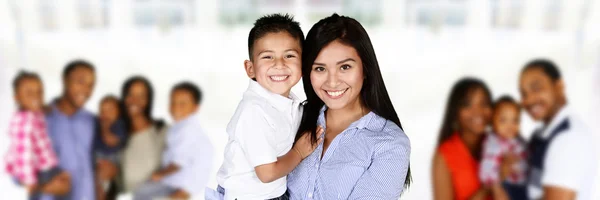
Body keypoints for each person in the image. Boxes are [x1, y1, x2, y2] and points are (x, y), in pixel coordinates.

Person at [287, 14, 411, 199]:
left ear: (365, 69)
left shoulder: (390, 143)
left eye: (345, 67)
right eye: (320, 68)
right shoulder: (293, 118)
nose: (332, 81)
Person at [215, 13, 321, 200]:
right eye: (267, 57)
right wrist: (298, 151)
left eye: (289, 55)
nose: (279, 64)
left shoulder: (289, 103)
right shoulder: (254, 111)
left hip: (273, 193)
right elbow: (267, 173)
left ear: (303, 65)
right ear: (250, 69)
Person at [518, 59, 597, 200]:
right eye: (523, 94)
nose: (528, 100)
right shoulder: (541, 133)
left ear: (559, 86)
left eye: (536, 88)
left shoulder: (569, 137)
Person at [134, 82, 213, 200]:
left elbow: (178, 163)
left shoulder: (188, 130)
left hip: (182, 183)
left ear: (195, 108)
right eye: (173, 103)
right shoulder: (180, 126)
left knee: (142, 192)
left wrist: (158, 175)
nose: (176, 108)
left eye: (182, 104)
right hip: (179, 180)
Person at [4, 71, 71, 200]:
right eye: (29, 93)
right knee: (53, 190)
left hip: (43, 162)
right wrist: (29, 181)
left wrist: (44, 108)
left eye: (39, 92)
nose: (36, 97)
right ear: (17, 97)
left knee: (65, 179)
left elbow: (37, 105)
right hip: (34, 169)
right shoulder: (25, 122)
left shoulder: (32, 111)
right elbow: (24, 154)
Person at [432, 77, 502, 200]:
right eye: (467, 105)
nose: (478, 111)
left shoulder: (500, 144)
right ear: (456, 112)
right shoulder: (444, 156)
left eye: (484, 103)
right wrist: (487, 187)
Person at [45, 60, 97, 200]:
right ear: (64, 80)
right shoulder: (41, 119)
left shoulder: (92, 121)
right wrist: (43, 186)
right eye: (80, 82)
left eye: (90, 85)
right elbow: (18, 171)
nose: (86, 90)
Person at [118, 76, 168, 193]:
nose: (135, 101)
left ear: (148, 100)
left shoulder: (161, 131)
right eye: (131, 95)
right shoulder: (117, 133)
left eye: (141, 96)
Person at [479, 96, 527, 200]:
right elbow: (487, 169)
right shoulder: (493, 143)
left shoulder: (520, 141)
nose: (510, 126)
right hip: (506, 187)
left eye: (515, 120)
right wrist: (497, 188)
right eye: (503, 120)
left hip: (523, 185)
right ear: (492, 122)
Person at [94, 95, 127, 199]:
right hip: (97, 157)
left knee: (102, 184)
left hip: (110, 158)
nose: (106, 114)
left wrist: (105, 129)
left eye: (110, 110)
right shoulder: (98, 122)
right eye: (102, 111)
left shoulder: (119, 124)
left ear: (119, 112)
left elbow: (112, 141)